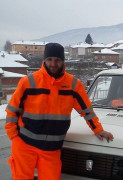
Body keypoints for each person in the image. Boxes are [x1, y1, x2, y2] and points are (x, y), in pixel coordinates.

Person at [5, 43, 114, 180]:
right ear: (44, 60)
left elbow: (87, 111)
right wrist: (13, 136)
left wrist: (98, 130)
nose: (53, 63)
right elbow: (12, 110)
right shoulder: (28, 82)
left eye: (57, 60)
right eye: (49, 59)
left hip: (52, 149)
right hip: (24, 144)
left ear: (63, 61)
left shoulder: (73, 85)